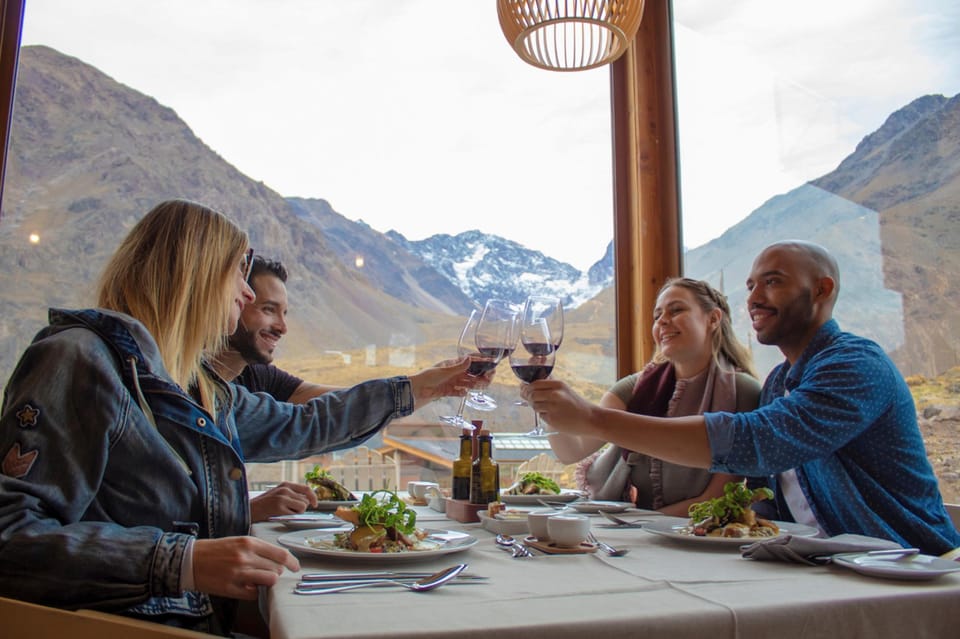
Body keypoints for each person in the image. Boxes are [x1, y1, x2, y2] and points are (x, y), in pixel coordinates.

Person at [0, 199, 479, 635]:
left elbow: (302, 424)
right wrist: (182, 562)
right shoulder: (79, 360)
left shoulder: (194, 386)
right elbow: (11, 537)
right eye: (236, 275)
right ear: (194, 274)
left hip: (198, 616)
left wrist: (416, 389)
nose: (246, 295)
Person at [524, 240, 960, 555]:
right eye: (751, 285)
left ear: (822, 290)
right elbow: (763, 495)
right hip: (816, 561)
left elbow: (756, 443)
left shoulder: (855, 364)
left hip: (910, 564)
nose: (753, 297)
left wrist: (595, 420)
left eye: (772, 282)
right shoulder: (779, 382)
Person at [551, 278, 761, 517]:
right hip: (632, 530)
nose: (662, 321)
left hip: (695, 535)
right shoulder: (633, 387)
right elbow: (572, 452)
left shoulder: (744, 392)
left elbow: (719, 496)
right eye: (657, 315)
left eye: (677, 310)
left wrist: (643, 524)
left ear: (713, 319)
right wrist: (546, 407)